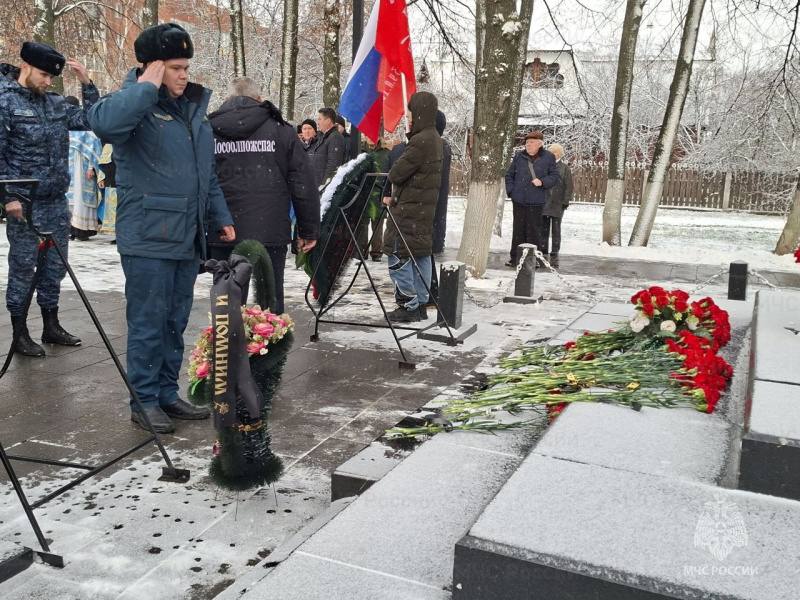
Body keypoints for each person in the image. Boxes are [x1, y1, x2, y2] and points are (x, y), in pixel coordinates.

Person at [88, 23, 236, 434]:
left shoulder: (193, 113)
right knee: (148, 322)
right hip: (148, 237)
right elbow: (102, 124)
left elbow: (206, 176)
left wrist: (220, 217)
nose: (184, 74)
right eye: (174, 67)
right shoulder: (132, 106)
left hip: (187, 237)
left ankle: (167, 393)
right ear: (153, 68)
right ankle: (144, 400)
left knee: (175, 320)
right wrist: (144, 87)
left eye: (186, 66)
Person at [0, 42, 98, 357]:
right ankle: (19, 333)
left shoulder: (55, 103)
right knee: (23, 267)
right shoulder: (5, 103)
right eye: (43, 75)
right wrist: (7, 198)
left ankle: (51, 324)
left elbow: (91, 120)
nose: (47, 82)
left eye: (51, 78)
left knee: (54, 266)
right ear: (25, 66)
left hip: (55, 201)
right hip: (24, 204)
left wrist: (86, 83)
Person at [208, 76, 320, 313]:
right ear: (259, 99)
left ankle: (227, 348)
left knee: (227, 304)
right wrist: (308, 229)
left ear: (228, 98)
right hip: (269, 230)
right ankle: (269, 349)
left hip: (224, 230)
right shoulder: (282, 130)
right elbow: (302, 182)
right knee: (269, 301)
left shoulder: (209, 129)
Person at [382, 91, 443, 323]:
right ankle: (420, 303)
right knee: (420, 255)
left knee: (397, 254)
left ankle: (408, 304)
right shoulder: (434, 137)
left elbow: (397, 173)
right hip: (423, 211)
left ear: (420, 114)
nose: (408, 118)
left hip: (408, 210)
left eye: (411, 114)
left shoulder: (420, 141)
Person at [504, 130, 560, 267]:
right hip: (519, 200)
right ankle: (515, 258)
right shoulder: (519, 156)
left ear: (539, 144)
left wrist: (542, 182)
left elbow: (554, 177)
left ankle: (532, 260)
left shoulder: (548, 157)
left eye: (532, 142)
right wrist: (512, 191)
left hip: (536, 200)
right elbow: (509, 175)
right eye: (527, 142)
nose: (528, 145)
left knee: (534, 230)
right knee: (518, 230)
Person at [66, 128, 102, 240]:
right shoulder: (67, 128)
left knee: (82, 200)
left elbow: (95, 147)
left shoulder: (88, 129)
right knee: (71, 199)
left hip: (84, 168)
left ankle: (83, 230)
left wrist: (91, 167)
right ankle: (71, 229)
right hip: (70, 165)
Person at [541, 143, 573, 269]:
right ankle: (543, 252)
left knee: (556, 230)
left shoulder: (565, 168)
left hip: (557, 203)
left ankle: (554, 253)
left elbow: (569, 186)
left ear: (559, 154)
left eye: (554, 153)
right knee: (543, 229)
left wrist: (565, 201)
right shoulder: (544, 167)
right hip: (544, 203)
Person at [309, 107, 346, 188]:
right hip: (315, 185)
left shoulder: (335, 138)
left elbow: (333, 166)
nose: (317, 122)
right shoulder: (322, 137)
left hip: (323, 188)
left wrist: (324, 187)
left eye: (320, 119)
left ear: (328, 120)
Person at [432, 110, 452, 255]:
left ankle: (436, 242)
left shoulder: (437, 145)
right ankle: (437, 242)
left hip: (432, 191)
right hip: (438, 190)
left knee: (436, 216)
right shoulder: (444, 145)